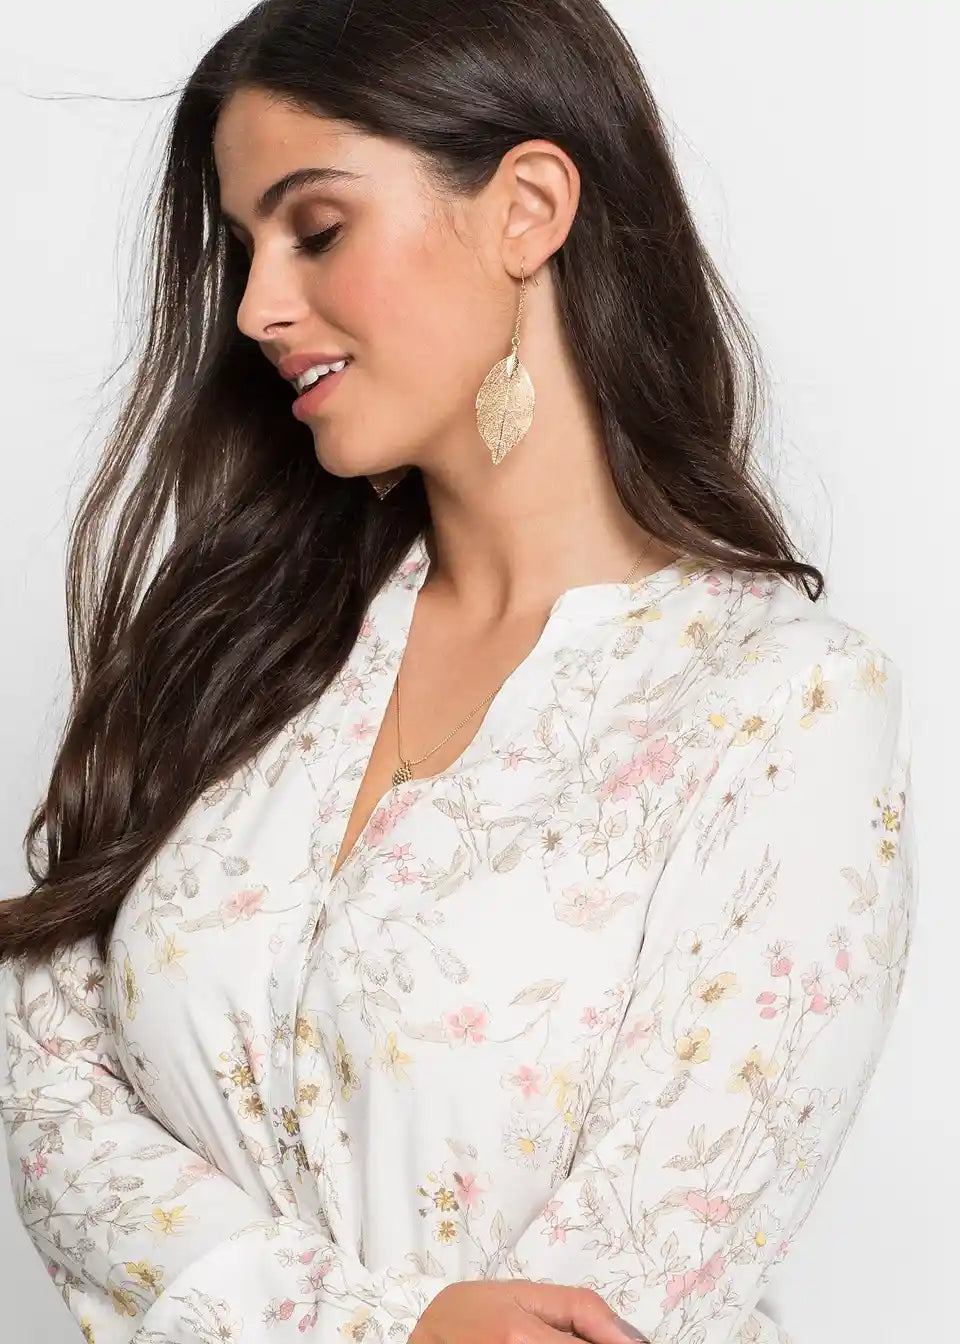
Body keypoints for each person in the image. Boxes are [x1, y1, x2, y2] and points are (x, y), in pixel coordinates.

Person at [0, 2, 916, 1342]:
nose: (256, 307)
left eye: (317, 229)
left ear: (526, 210)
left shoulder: (780, 705)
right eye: (245, 249)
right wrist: (393, 1327)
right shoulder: (233, 646)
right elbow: (49, 1089)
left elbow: (621, 1287)